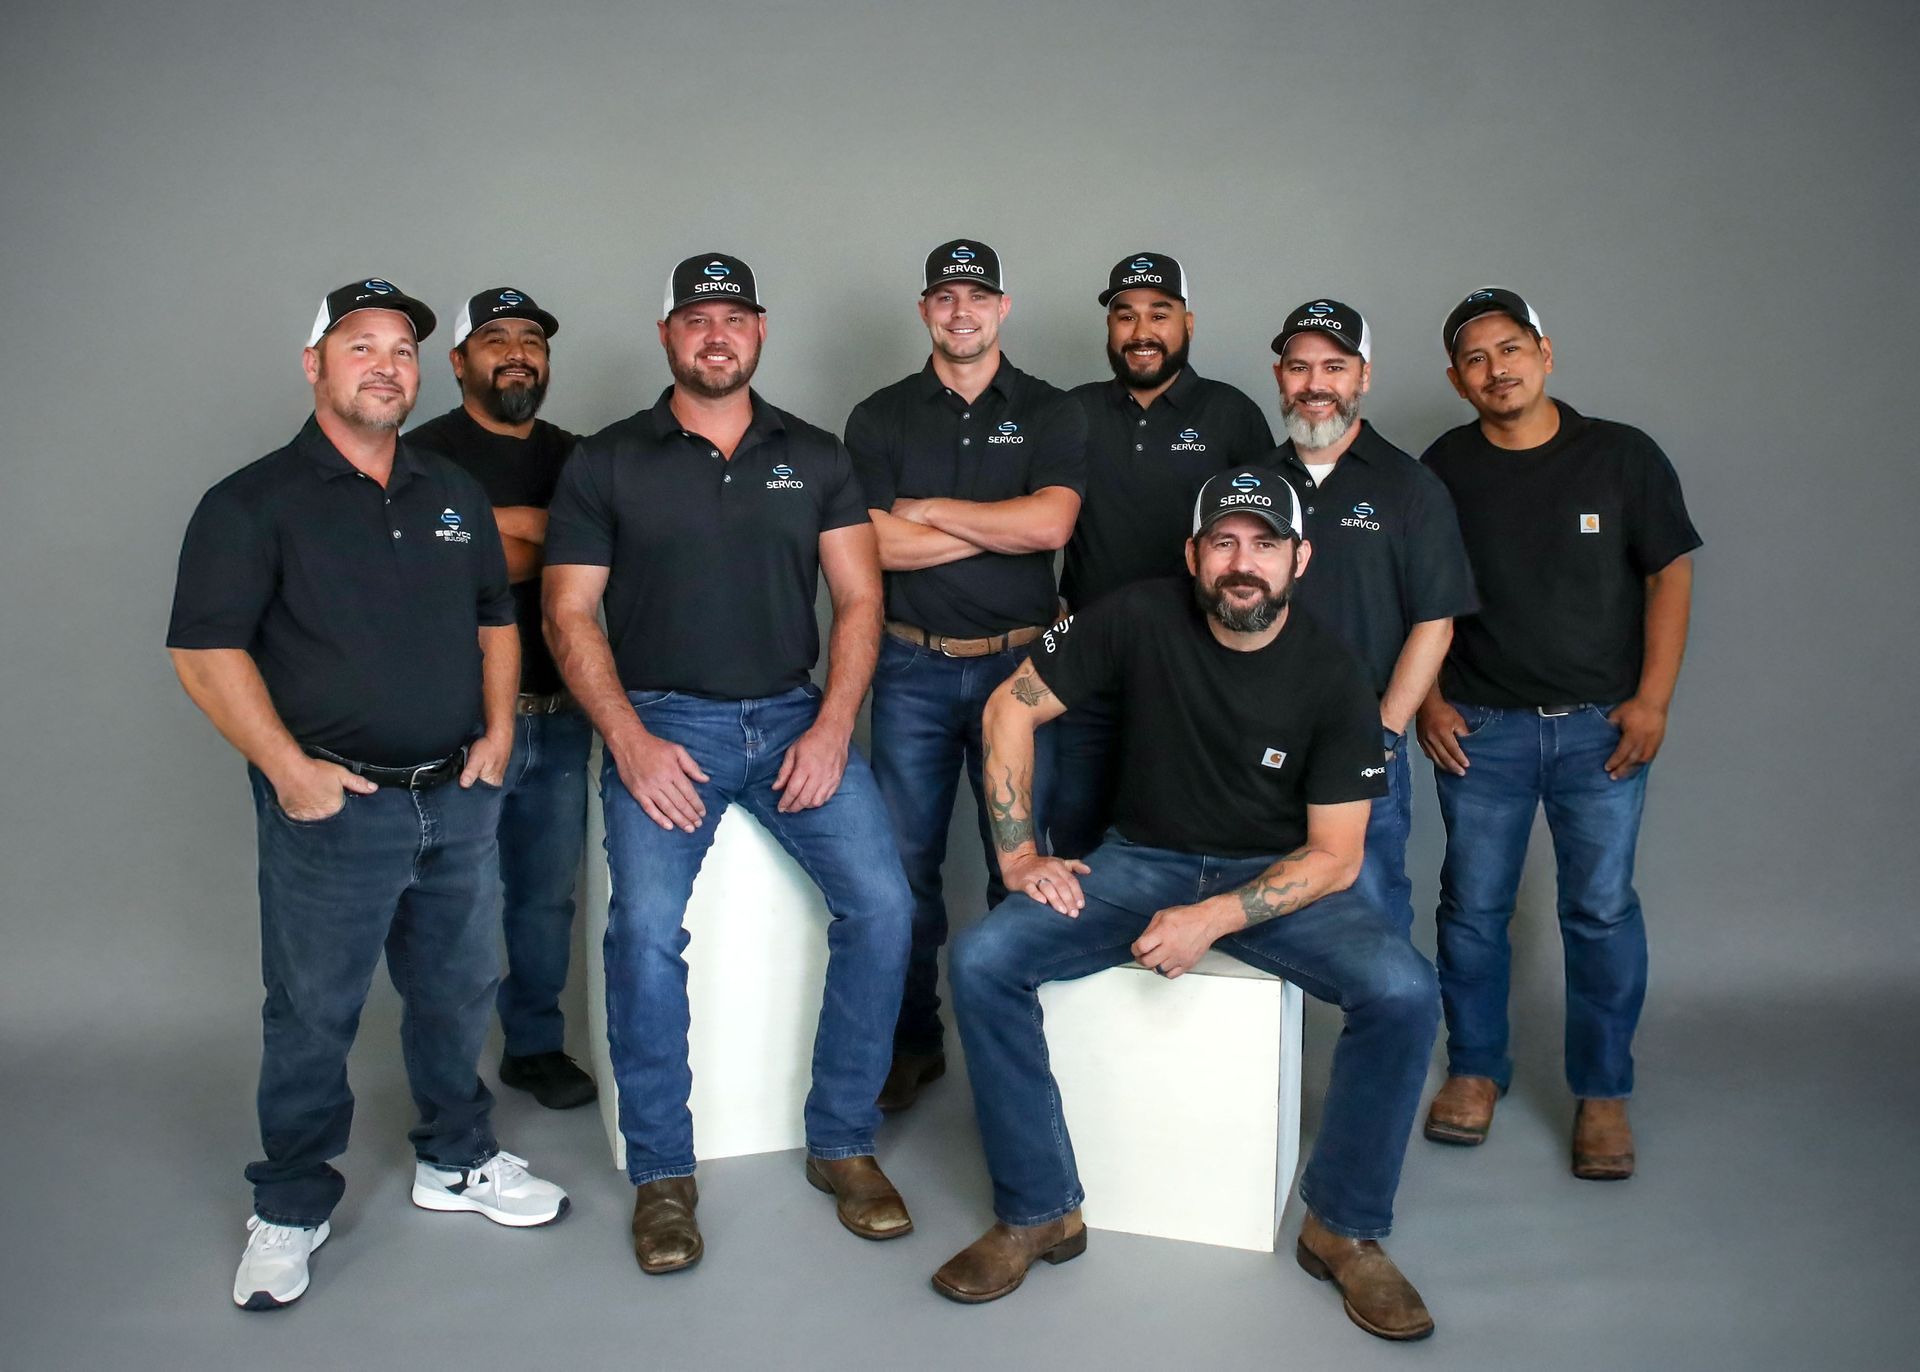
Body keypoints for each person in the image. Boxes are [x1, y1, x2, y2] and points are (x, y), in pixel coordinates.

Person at [935, 466, 1442, 1342]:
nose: (1243, 563)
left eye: (1265, 544)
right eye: (1224, 542)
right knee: (982, 961)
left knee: (1402, 990)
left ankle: (1344, 1226)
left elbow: (1336, 857)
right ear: (1193, 553)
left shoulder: (1333, 672)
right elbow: (1009, 709)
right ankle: (1038, 1209)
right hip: (1143, 861)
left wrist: (1215, 918)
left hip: (1273, 877)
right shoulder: (1136, 614)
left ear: (1300, 558)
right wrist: (1018, 854)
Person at [167, 279, 569, 1313]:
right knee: (313, 1012)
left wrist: (496, 734)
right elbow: (205, 652)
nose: (385, 364)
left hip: (459, 797)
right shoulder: (250, 501)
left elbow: (495, 617)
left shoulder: (448, 490)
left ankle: (457, 1158)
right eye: (360, 346)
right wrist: (291, 774)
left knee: (455, 993)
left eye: (401, 350)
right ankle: (293, 1205)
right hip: (335, 812)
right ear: (315, 366)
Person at [542, 253, 915, 1275]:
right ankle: (665, 1172)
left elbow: (860, 601)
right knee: (647, 929)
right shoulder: (609, 459)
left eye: (736, 318)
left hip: (798, 712)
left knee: (884, 907)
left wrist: (836, 724)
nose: (718, 334)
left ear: (760, 333)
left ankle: (842, 1140)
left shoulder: (818, 454)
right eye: (697, 318)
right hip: (664, 722)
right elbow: (568, 608)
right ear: (667, 335)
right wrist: (627, 738)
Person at [1417, 287, 1701, 1179]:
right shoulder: (1445, 467)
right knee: (1472, 911)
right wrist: (1425, 701)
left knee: (1602, 910)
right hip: (1482, 731)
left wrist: (1653, 699)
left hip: (1599, 733)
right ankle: (1475, 1071)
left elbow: (1670, 577)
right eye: (1475, 359)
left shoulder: (1621, 456)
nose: (1496, 370)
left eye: (1510, 349)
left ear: (1545, 352)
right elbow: (1416, 593)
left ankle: (1603, 1090)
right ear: (1457, 381)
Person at [844, 239, 1086, 1113]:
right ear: (924, 312)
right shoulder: (879, 416)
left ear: (1003, 308)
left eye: (976, 296)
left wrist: (933, 513)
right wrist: (999, 525)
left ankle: (1015, 1054)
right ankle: (915, 1043)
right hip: (910, 666)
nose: (960, 311)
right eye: (943, 297)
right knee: (903, 871)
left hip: (1024, 674)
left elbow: (1054, 525)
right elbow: (870, 541)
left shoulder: (1053, 411)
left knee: (1018, 865)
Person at [408, 287, 596, 1110]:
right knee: (459, 904)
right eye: (494, 339)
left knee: (545, 898)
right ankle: (447, 1079)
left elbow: (609, 559)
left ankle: (535, 1046)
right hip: (464, 722)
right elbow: (440, 576)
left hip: (561, 715)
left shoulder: (583, 456)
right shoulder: (417, 455)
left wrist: (489, 526)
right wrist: (555, 535)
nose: (516, 352)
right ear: (458, 362)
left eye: (531, 340)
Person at [1051, 253, 1274, 858]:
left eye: (1159, 313)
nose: (1141, 331)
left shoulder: (1232, 415)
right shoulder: (1071, 412)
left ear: (1188, 324)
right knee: (1075, 836)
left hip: (1197, 670)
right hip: (1089, 666)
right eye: (1124, 316)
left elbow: (1268, 549)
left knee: (1182, 840)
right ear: (1109, 329)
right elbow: (1033, 523)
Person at [1266, 298, 1477, 933]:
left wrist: (1382, 733)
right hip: (1255, 743)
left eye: (1334, 367)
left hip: (1361, 744)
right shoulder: (1249, 484)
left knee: (1374, 920)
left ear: (1363, 376)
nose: (1315, 386)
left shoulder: (1410, 487)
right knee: (1252, 925)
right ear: (1280, 377)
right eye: (1299, 368)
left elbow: (1435, 622)